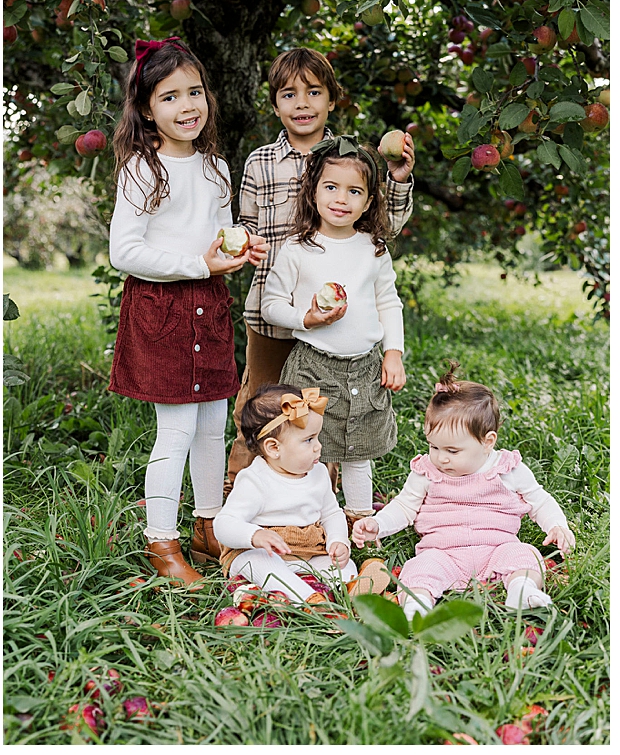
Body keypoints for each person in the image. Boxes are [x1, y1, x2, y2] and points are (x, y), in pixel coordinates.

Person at [105, 36, 265, 585]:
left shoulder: (216, 169)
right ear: (147, 109)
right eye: (170, 97)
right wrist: (200, 264)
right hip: (163, 309)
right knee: (173, 431)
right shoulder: (142, 171)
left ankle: (207, 525)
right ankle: (161, 541)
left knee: (211, 425)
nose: (187, 106)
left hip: (210, 308)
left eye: (195, 92)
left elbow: (216, 239)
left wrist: (239, 249)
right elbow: (124, 252)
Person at [231, 48, 415, 487]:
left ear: (332, 99)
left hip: (336, 326)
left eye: (314, 92)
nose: (302, 103)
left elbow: (382, 226)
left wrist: (399, 177)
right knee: (261, 402)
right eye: (289, 94)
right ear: (274, 104)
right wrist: (245, 243)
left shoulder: (348, 160)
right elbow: (246, 226)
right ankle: (242, 486)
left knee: (322, 409)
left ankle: (321, 495)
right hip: (272, 310)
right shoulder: (260, 161)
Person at [259, 138, 406, 522]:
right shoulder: (298, 249)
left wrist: (393, 353)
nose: (341, 199)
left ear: (369, 201)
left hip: (363, 367)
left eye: (354, 191)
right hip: (312, 365)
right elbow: (271, 304)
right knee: (307, 449)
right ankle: (311, 521)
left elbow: (388, 302)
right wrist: (305, 319)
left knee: (357, 452)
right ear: (313, 192)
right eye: (331, 187)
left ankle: (359, 522)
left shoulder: (372, 249)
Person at [353, 365, 575, 618]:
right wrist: (378, 524)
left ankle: (521, 590)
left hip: (498, 548)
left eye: (452, 451)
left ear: (487, 442)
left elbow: (539, 501)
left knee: (524, 556)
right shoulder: (427, 471)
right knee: (419, 570)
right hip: (442, 553)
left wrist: (557, 525)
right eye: (434, 447)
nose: (441, 458)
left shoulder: (507, 469)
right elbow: (405, 506)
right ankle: (417, 607)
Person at [216, 385, 388, 602]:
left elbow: (331, 513)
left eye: (317, 437)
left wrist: (338, 541)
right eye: (309, 440)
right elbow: (224, 524)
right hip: (265, 553)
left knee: (340, 565)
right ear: (274, 448)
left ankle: (352, 586)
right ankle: (308, 598)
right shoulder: (255, 481)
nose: (318, 447)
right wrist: (255, 535)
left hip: (310, 551)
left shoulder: (317, 472)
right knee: (260, 565)